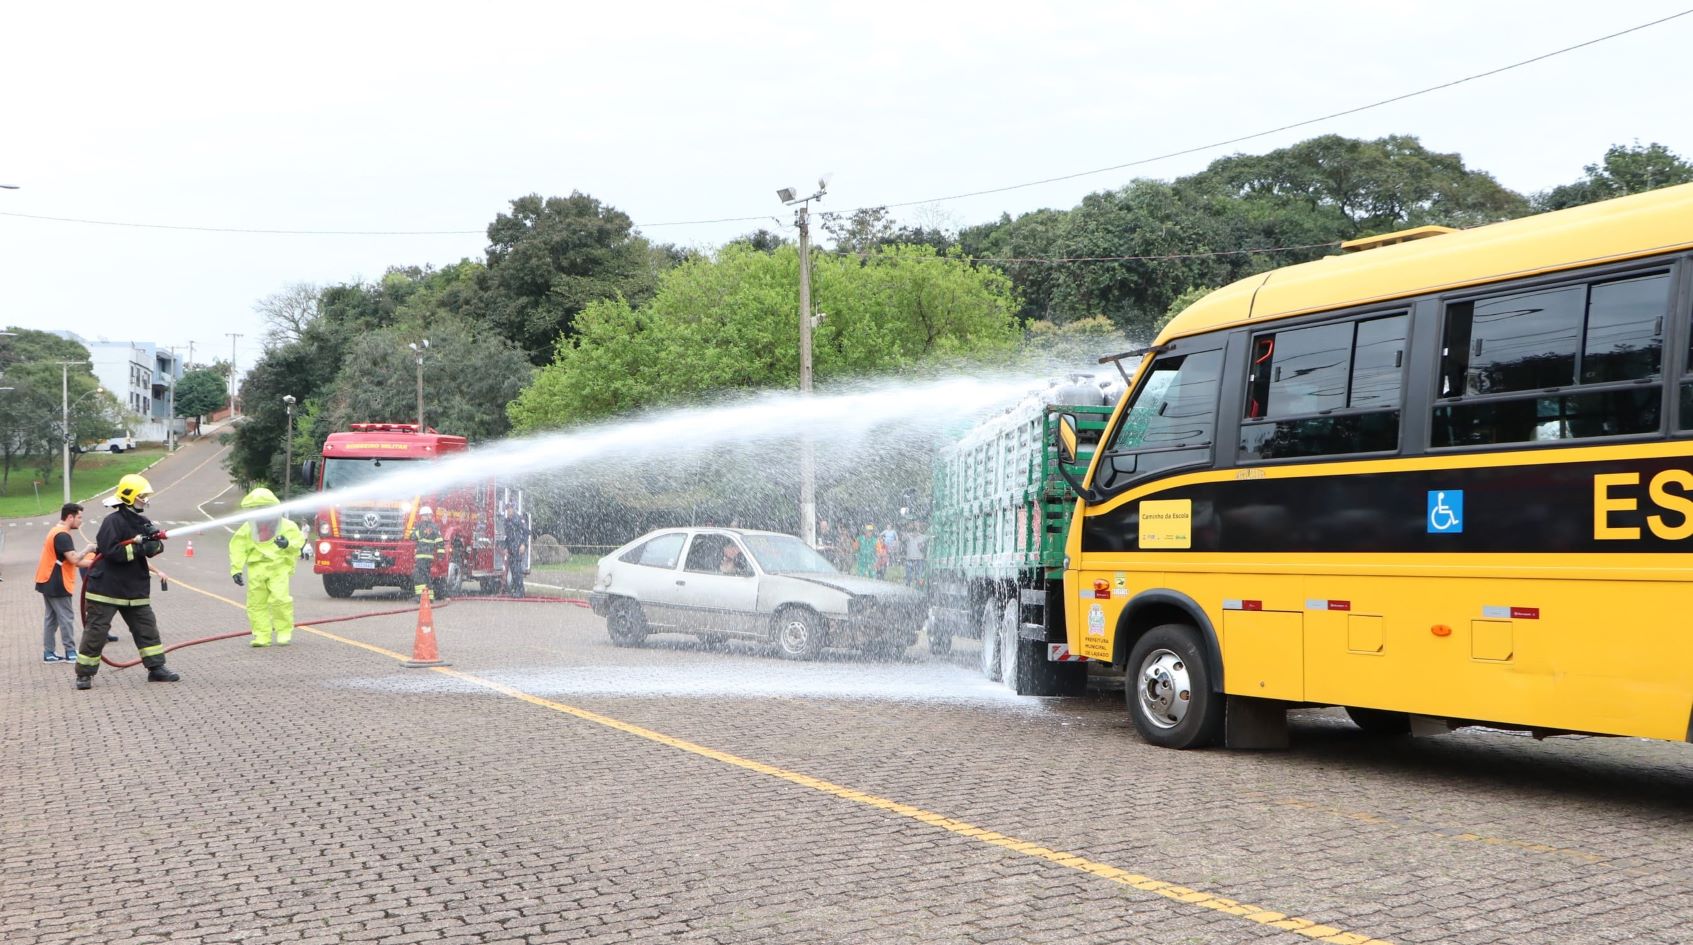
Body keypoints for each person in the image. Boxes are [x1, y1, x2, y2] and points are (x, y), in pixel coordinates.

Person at [75, 474, 180, 690]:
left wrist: (155, 547)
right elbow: (111, 551)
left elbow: (157, 545)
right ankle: (84, 674)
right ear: (129, 497)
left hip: (135, 589)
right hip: (106, 589)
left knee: (147, 629)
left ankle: (156, 668)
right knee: (97, 632)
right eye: (142, 496)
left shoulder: (144, 522)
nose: (145, 500)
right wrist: (141, 548)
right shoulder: (112, 522)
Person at [228, 487, 304, 647]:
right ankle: (262, 635)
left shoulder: (287, 526)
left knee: (280, 600)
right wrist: (236, 569)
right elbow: (238, 547)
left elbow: (298, 541)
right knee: (256, 604)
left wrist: (287, 544)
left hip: (278, 567)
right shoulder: (248, 528)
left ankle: (284, 631)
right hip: (256, 569)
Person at [36, 503, 96, 662]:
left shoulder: (55, 531)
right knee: (66, 617)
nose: (80, 521)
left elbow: (72, 561)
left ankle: (49, 653)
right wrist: (89, 549)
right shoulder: (62, 535)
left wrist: (95, 563)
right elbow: (74, 559)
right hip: (57, 581)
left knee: (52, 618)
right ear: (70, 517)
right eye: (79, 517)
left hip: (47, 580)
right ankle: (70, 652)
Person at [412, 505, 444, 599]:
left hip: (421, 555)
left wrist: (414, 533)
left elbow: (413, 536)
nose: (423, 517)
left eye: (424, 515)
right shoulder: (435, 527)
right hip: (429, 556)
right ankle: (429, 597)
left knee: (419, 576)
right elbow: (439, 542)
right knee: (426, 576)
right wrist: (440, 555)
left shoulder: (419, 526)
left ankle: (420, 597)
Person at [503, 507, 529, 598]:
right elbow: (507, 536)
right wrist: (506, 547)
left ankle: (520, 591)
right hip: (511, 548)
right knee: (513, 569)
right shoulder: (507, 521)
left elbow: (526, 532)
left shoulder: (519, 519)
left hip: (518, 547)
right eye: (507, 509)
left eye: (510, 509)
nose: (508, 511)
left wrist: (523, 544)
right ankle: (516, 589)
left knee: (517, 570)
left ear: (513, 509)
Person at [904, 521, 928, 588]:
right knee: (909, 576)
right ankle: (907, 587)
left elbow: (928, 543)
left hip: (919, 559)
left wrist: (924, 548)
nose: (916, 531)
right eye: (915, 528)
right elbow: (903, 537)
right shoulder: (908, 536)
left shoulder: (923, 537)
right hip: (910, 558)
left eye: (917, 527)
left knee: (919, 576)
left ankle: (918, 588)